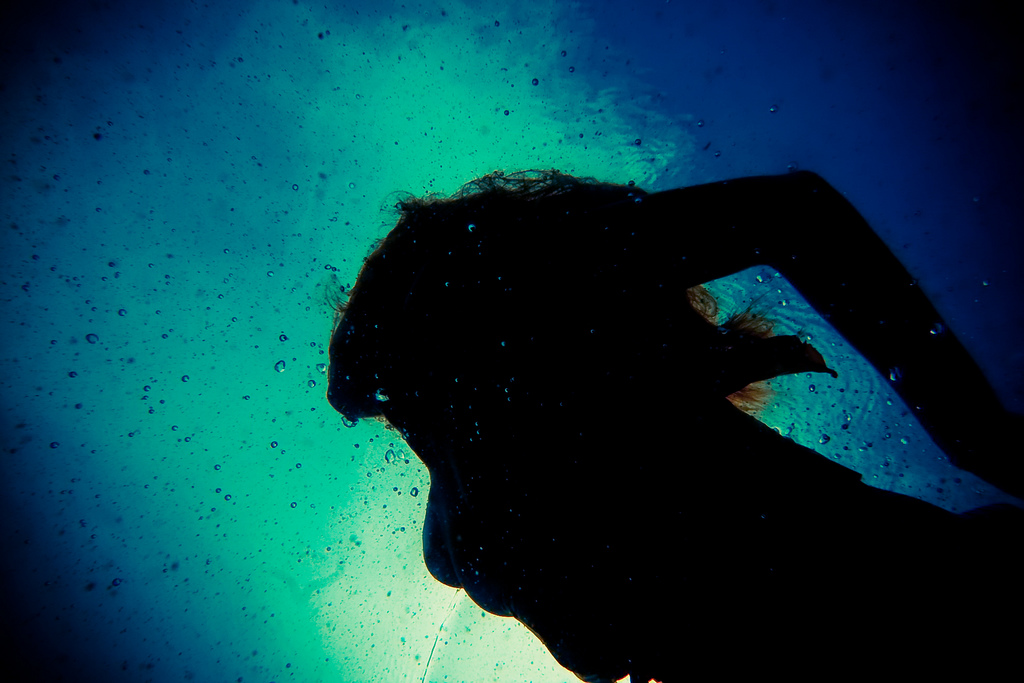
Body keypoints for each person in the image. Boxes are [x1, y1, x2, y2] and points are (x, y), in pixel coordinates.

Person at [327, 170, 1023, 683]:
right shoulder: (458, 521)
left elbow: (792, 212)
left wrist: (974, 432)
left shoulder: (521, 289)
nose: (419, 429)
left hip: (888, 592)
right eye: (404, 418)